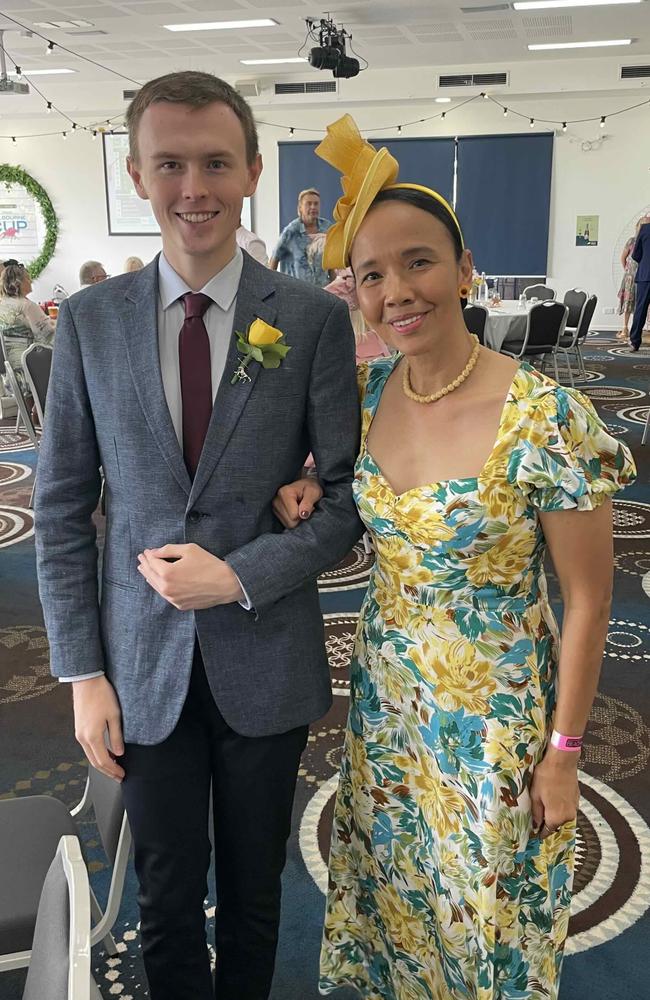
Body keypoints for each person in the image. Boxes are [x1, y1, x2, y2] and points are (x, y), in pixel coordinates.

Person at [273, 115, 636, 1000]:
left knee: (486, 923)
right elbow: (369, 518)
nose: (398, 289)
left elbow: (591, 601)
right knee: (402, 906)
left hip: (497, 726)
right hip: (389, 703)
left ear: (466, 268)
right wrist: (311, 493)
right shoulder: (363, 396)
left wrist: (565, 751)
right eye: (372, 274)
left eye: (419, 261)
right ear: (353, 292)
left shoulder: (546, 420)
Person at [34, 73, 361, 1000]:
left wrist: (241, 576)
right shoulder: (91, 324)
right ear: (138, 175)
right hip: (137, 666)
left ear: (252, 170)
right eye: (169, 163)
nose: (194, 187)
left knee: (257, 889)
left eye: (216, 162)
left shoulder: (311, 319)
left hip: (267, 657)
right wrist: (81, 674)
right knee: (164, 893)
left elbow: (342, 500)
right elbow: (59, 508)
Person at [0, 260, 55, 394]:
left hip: (10, 374)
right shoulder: (27, 306)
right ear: (18, 283)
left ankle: (36, 411)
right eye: (27, 279)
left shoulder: (3, 303)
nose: (30, 282)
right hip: (30, 371)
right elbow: (47, 336)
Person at [270, 188, 332, 287]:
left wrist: (333, 287)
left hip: (323, 291)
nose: (313, 207)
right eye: (309, 203)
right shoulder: (291, 231)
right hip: (295, 293)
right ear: (300, 208)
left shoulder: (327, 228)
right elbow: (274, 259)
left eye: (316, 204)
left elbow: (330, 261)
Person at [617, 218, 649, 341]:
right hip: (634, 276)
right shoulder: (632, 240)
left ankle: (638, 336)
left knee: (640, 306)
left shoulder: (645, 235)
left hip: (643, 275)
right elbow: (624, 257)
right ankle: (626, 329)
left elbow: (637, 255)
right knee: (630, 304)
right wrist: (628, 270)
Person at [628, 217, 650, 351]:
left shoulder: (645, 229)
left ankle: (635, 342)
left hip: (645, 275)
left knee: (640, 309)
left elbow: (635, 255)